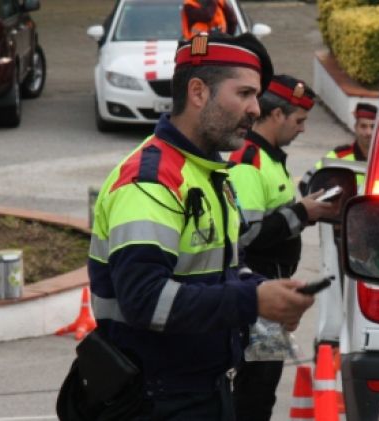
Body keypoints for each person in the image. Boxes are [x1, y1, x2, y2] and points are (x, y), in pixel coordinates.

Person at [86, 33, 314, 420]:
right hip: (155, 399)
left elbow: (217, 270)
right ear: (197, 92)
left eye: (255, 96)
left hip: (198, 390)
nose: (256, 109)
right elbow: (144, 300)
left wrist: (264, 289)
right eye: (243, 93)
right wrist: (253, 301)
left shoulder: (207, 173)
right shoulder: (152, 180)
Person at [227, 74, 338, 421]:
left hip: (270, 292)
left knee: (263, 383)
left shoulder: (270, 158)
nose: (303, 130)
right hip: (257, 294)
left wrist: (303, 212)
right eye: (299, 120)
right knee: (256, 388)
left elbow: (275, 221)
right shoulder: (250, 160)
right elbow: (246, 237)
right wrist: (301, 212)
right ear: (276, 116)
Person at [298, 102, 377, 195]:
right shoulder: (338, 156)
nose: (369, 132)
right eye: (363, 126)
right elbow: (305, 182)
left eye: (373, 127)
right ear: (355, 128)